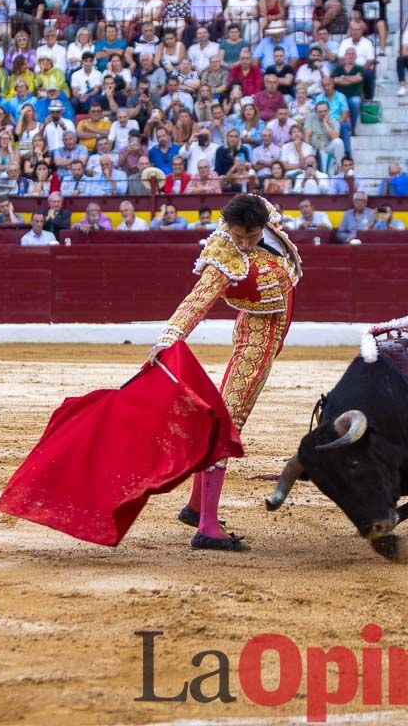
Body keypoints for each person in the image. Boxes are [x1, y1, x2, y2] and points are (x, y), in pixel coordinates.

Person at [147, 194, 303, 552]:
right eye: (238, 236)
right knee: (227, 425)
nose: (245, 244)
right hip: (257, 342)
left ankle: (196, 506)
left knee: (224, 418)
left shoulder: (265, 216)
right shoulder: (224, 256)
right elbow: (197, 300)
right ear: (227, 229)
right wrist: (169, 339)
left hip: (267, 333)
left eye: (251, 236)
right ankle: (207, 528)